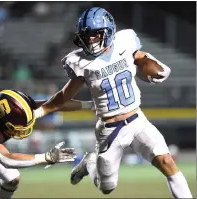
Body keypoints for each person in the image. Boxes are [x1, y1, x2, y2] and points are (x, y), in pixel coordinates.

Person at [33, 7, 192, 198]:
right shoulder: (80, 61)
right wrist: (40, 111)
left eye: (95, 34)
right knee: (106, 187)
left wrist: (149, 65)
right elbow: (63, 97)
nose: (90, 39)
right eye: (86, 35)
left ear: (108, 31)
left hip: (137, 120)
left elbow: (142, 59)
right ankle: (89, 163)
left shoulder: (125, 42)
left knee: (167, 162)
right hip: (110, 129)